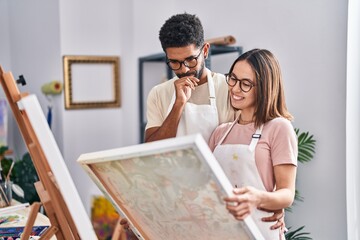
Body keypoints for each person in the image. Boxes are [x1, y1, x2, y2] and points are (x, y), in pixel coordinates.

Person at [208, 48, 297, 240]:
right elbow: (206, 187)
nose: (235, 88)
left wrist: (258, 198)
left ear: (265, 87)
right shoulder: (220, 133)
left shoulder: (279, 128)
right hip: (221, 232)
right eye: (233, 78)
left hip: (261, 231)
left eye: (246, 84)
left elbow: (287, 194)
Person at [144, 13, 235, 143]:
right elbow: (152, 150)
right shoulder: (158, 93)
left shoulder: (229, 88)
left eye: (191, 59)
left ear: (205, 51)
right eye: (174, 62)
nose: (184, 69)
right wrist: (178, 104)